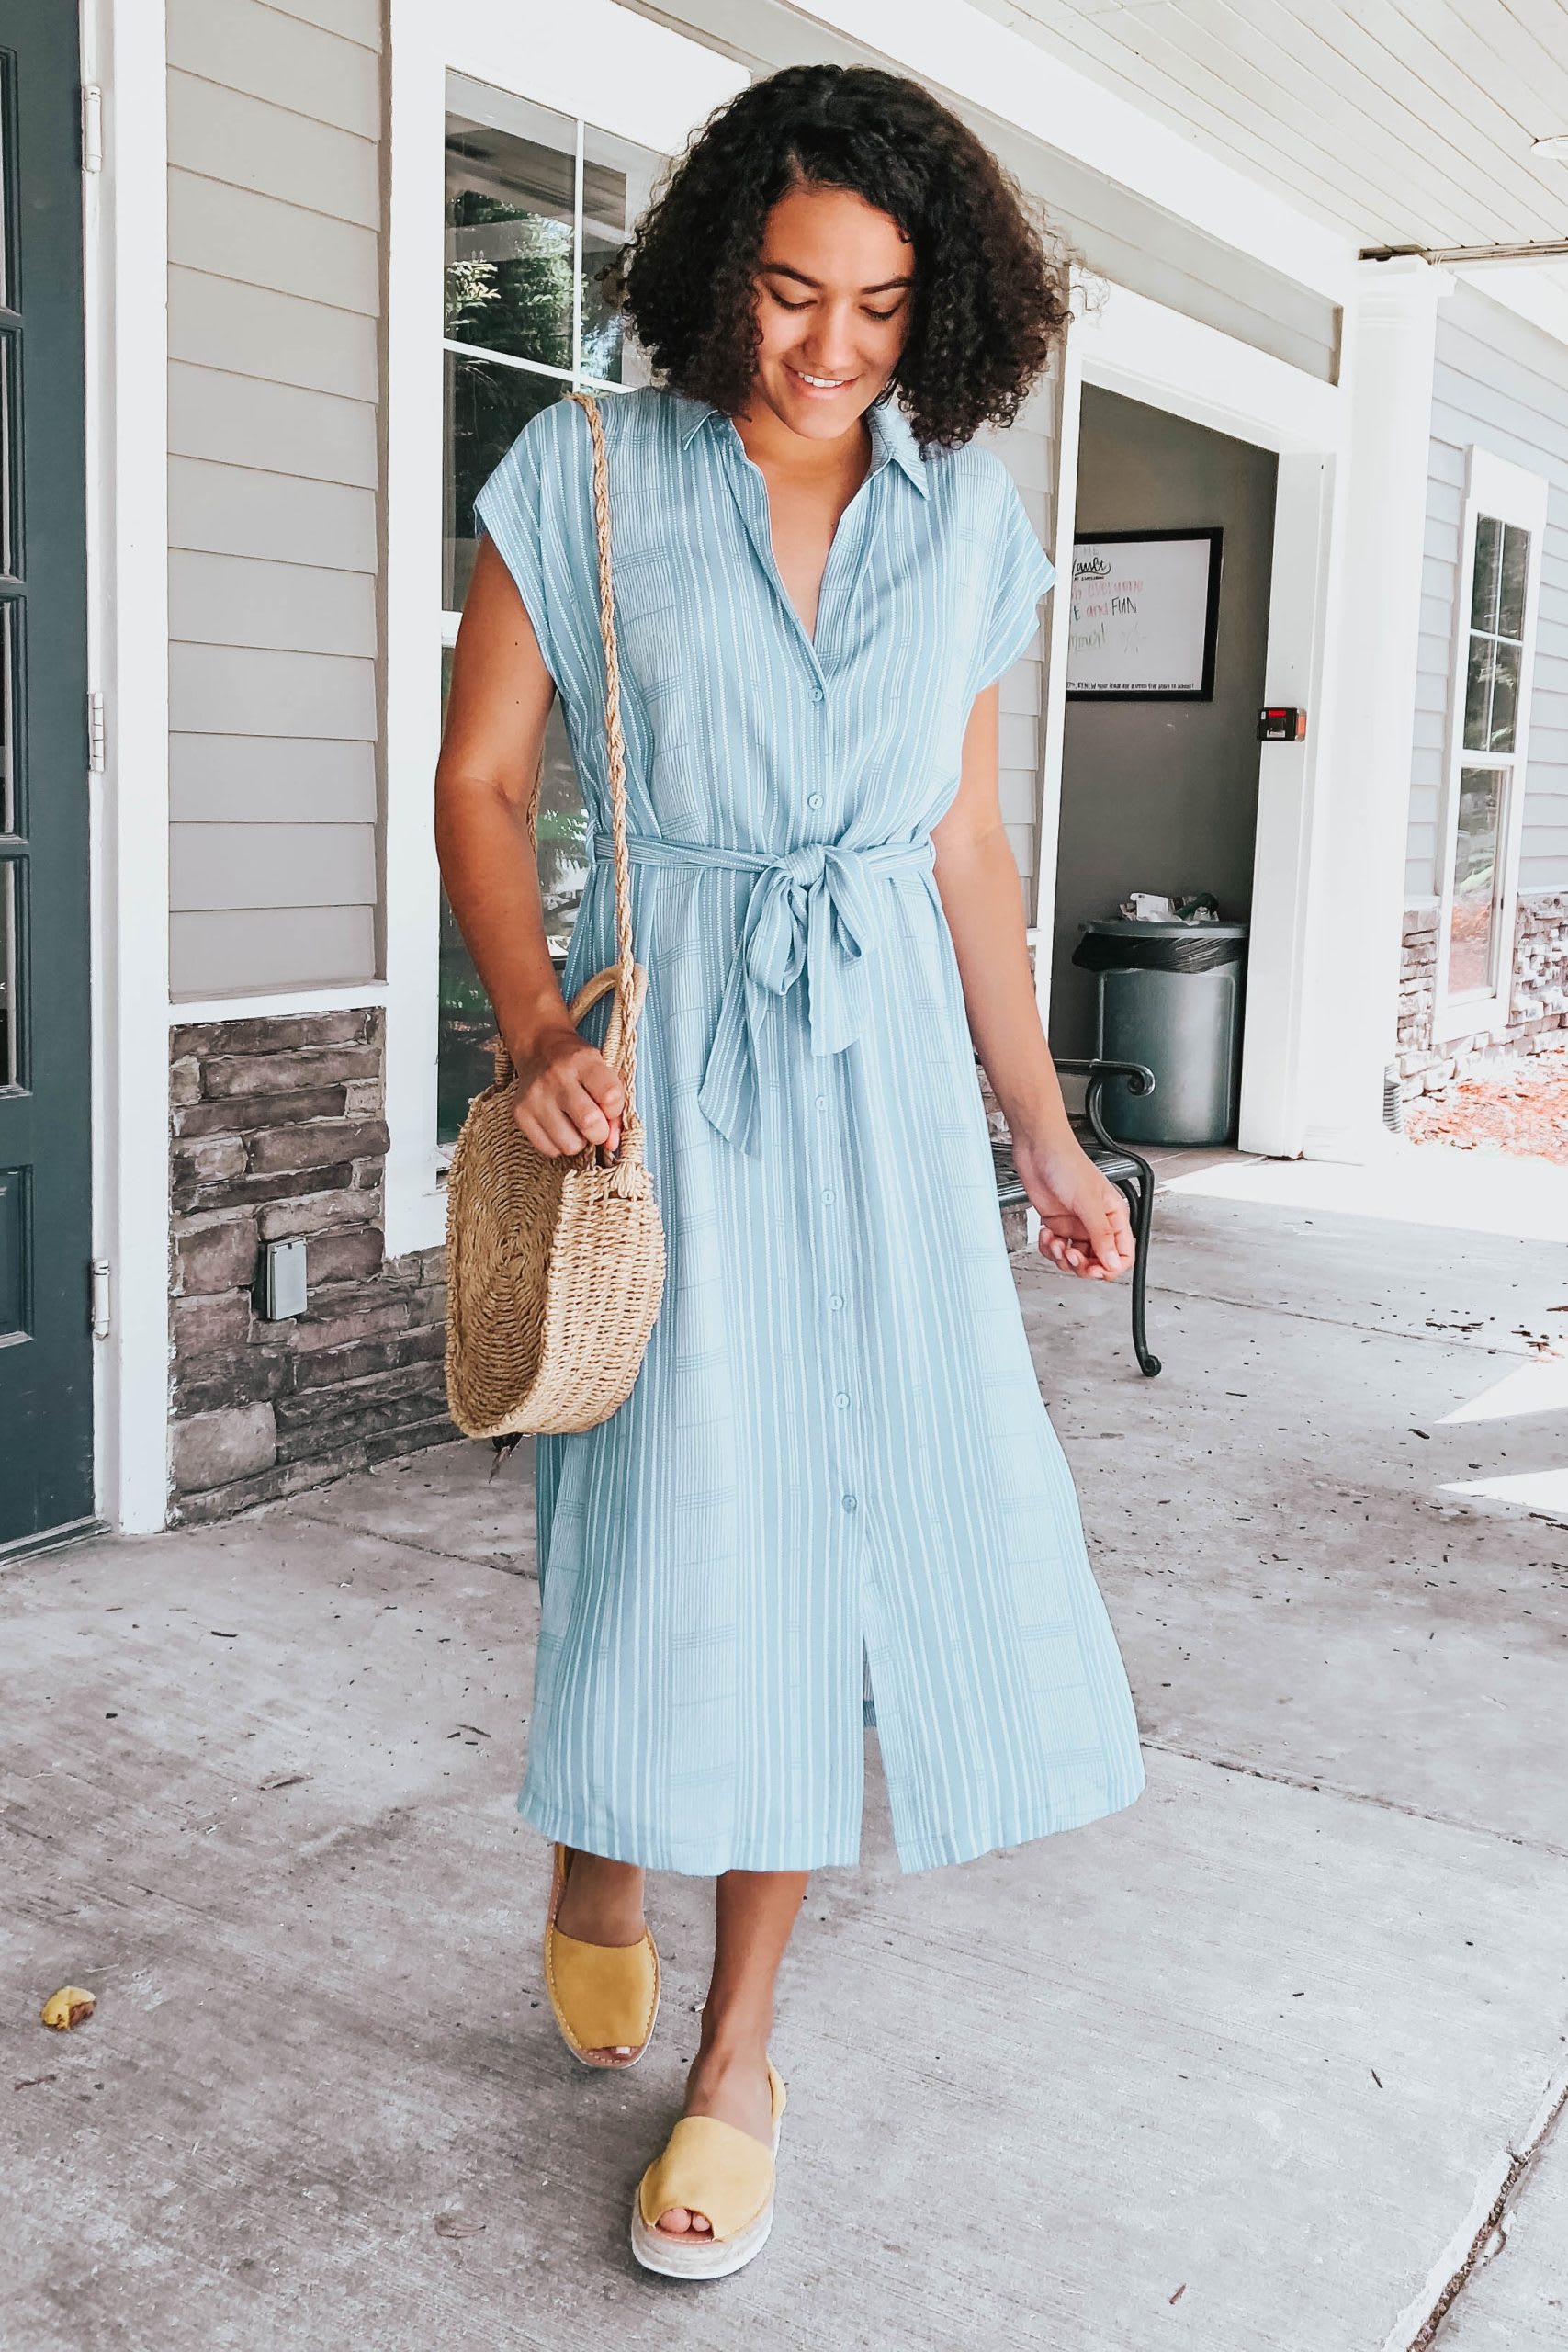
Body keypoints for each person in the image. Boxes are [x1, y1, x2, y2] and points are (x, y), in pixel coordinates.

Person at [434, 60, 1145, 2281]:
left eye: (873, 304)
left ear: (941, 310)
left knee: (834, 1542)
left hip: (875, 1104)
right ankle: (601, 1836)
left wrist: (1041, 1129)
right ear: (713, 263)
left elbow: (960, 845)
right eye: (781, 290)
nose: (823, 347)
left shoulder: (965, 520)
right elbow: (479, 779)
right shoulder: (584, 471)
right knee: (663, 1514)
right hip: (664, 1066)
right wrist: (536, 1031)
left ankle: (736, 2053)